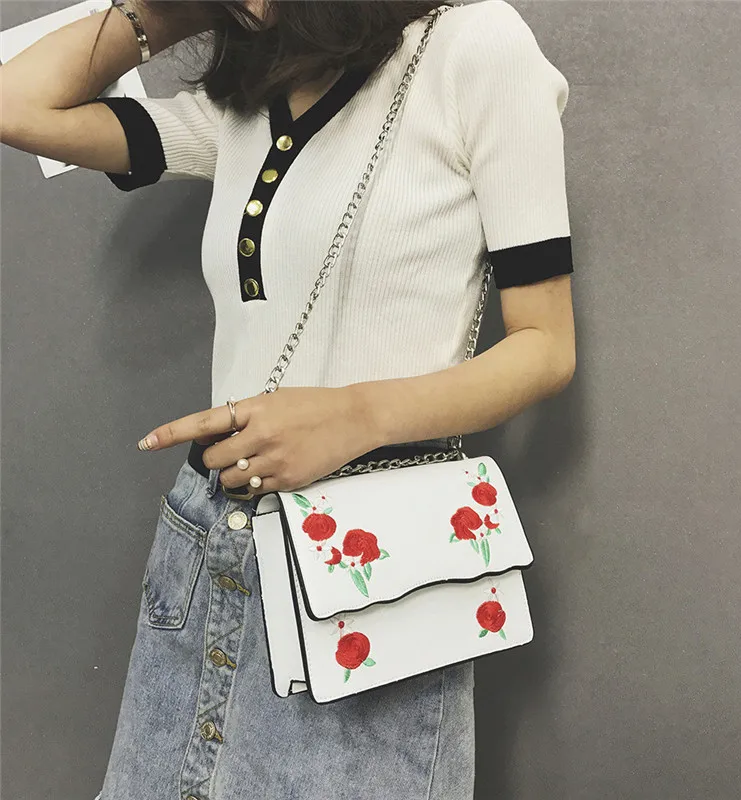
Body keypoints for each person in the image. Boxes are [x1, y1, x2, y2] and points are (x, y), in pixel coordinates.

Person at [0, 0, 576, 797]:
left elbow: (546, 346)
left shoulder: (475, 47)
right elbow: (16, 104)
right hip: (208, 539)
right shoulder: (241, 107)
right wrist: (174, 11)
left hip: (366, 571)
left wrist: (356, 414)